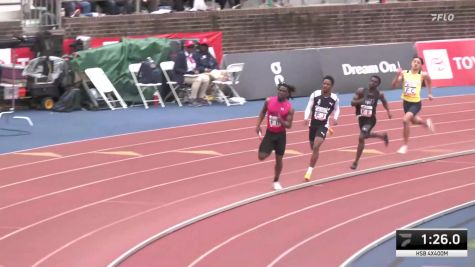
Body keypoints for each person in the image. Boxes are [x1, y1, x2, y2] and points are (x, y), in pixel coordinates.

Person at [256, 83, 296, 190]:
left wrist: (281, 120)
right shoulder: (269, 101)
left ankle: (276, 180)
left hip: (280, 136)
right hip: (270, 134)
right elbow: (263, 112)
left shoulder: (289, 108)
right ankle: (270, 148)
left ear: (287, 94)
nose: (281, 92)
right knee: (261, 156)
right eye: (280, 90)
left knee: (279, 160)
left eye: (284, 91)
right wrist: (258, 124)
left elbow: (289, 125)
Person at [391, 56, 435, 154]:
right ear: (411, 63)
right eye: (414, 61)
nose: (415, 63)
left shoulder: (423, 74)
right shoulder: (404, 73)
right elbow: (393, 85)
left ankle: (405, 145)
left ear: (420, 66)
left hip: (416, 103)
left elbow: (429, 80)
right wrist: (397, 75)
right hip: (406, 103)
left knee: (405, 120)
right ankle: (426, 124)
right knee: (414, 121)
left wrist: (430, 93)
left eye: (418, 62)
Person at [350, 75, 392, 170]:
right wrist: (362, 101)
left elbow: (384, 102)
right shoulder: (361, 91)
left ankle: (355, 162)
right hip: (361, 118)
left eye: (375, 82)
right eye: (371, 80)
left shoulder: (379, 94)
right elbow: (352, 103)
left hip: (370, 120)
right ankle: (381, 136)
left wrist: (388, 111)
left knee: (361, 138)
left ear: (378, 84)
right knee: (365, 135)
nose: (372, 82)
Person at [304, 75, 340, 181]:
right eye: (324, 83)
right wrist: (306, 118)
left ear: (331, 86)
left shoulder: (334, 98)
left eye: (328, 84)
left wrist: (335, 118)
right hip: (313, 124)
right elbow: (309, 107)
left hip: (323, 125)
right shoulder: (315, 94)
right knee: (312, 147)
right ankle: (328, 133)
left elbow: (337, 109)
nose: (325, 85)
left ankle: (309, 172)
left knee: (316, 146)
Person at [173, 40, 211, 107]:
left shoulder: (194, 55)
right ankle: (192, 99)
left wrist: (197, 70)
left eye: (192, 47)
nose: (191, 48)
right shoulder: (181, 55)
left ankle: (200, 98)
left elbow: (198, 65)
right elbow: (177, 69)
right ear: (185, 48)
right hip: (183, 76)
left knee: (206, 78)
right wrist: (189, 72)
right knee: (198, 79)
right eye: (189, 47)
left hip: (193, 75)